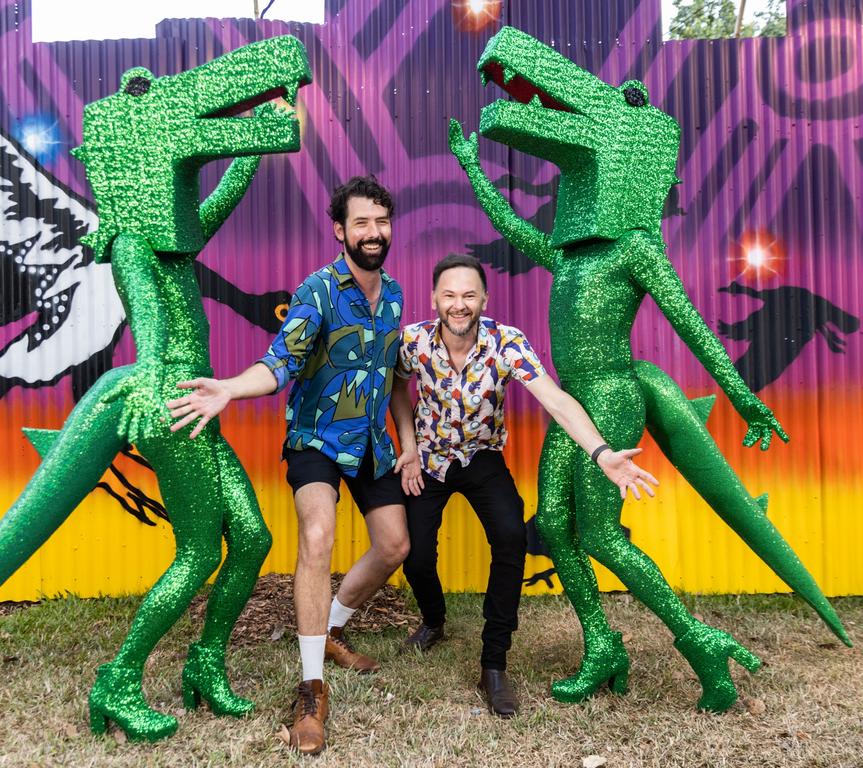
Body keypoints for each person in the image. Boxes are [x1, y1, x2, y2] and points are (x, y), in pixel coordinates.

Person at [166, 176, 414, 755]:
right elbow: (279, 364)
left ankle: (328, 630)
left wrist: (407, 441)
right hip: (317, 440)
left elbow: (396, 378)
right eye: (361, 223)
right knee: (318, 535)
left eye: (381, 221)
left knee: (394, 547)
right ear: (340, 230)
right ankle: (310, 688)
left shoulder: (396, 295)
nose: (372, 233)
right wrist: (229, 388)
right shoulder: (318, 291)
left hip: (372, 443)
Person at [393, 254, 658, 717]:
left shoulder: (506, 342)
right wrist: (409, 446)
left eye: (469, 295)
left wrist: (601, 453)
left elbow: (556, 399)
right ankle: (434, 621)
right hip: (431, 460)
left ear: (484, 299)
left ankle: (493, 664)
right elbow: (398, 386)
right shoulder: (413, 341)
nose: (460, 305)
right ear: (435, 298)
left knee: (512, 539)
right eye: (450, 295)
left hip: (483, 458)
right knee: (414, 554)